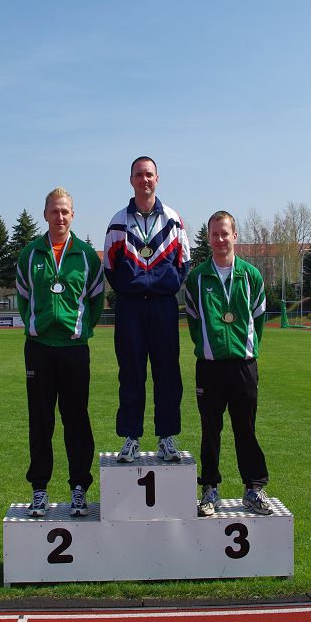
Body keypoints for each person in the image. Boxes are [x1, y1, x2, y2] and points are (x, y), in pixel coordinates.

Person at [15, 187, 106, 517]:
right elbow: (23, 299)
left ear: (73, 215)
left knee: (76, 419)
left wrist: (79, 328)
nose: (60, 216)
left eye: (65, 211)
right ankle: (39, 489)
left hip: (74, 350)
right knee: (40, 420)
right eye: (54, 211)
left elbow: (96, 300)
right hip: (39, 349)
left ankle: (79, 488)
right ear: (45, 214)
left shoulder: (86, 255)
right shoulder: (30, 254)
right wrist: (38, 325)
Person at [103, 156, 191, 463]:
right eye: (139, 174)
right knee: (131, 372)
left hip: (163, 307)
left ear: (157, 179)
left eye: (149, 174)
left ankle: (167, 437)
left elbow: (184, 262)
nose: (145, 179)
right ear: (131, 180)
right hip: (130, 308)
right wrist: (132, 285)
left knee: (168, 373)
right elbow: (110, 266)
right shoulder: (118, 221)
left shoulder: (173, 219)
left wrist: (163, 284)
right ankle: (131, 437)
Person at [184, 210, 272, 516]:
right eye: (215, 234)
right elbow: (194, 321)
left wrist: (244, 347)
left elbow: (259, 318)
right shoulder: (196, 278)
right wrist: (210, 346)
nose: (220, 239)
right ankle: (210, 489)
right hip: (209, 366)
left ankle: (253, 488)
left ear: (235, 235)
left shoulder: (251, 275)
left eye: (225, 233)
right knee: (210, 430)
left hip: (243, 365)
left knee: (246, 428)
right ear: (209, 239)